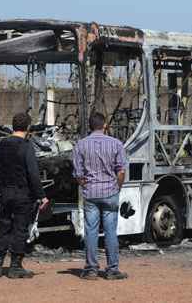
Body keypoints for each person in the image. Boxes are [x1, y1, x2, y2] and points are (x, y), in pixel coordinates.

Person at [0, 113, 49, 278]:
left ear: (13, 125)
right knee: (20, 228)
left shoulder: (2, 144)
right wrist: (42, 196)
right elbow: (33, 173)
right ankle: (15, 266)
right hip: (22, 193)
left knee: (3, 226)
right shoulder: (26, 146)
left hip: (5, 192)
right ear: (28, 127)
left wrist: (1, 187)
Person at [72, 112, 128, 280]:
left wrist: (86, 186)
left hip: (90, 193)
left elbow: (78, 174)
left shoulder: (80, 145)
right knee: (111, 231)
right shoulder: (116, 144)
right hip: (110, 191)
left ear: (89, 126)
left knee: (91, 231)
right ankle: (112, 270)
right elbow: (121, 170)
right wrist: (117, 186)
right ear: (104, 125)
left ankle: (91, 269)